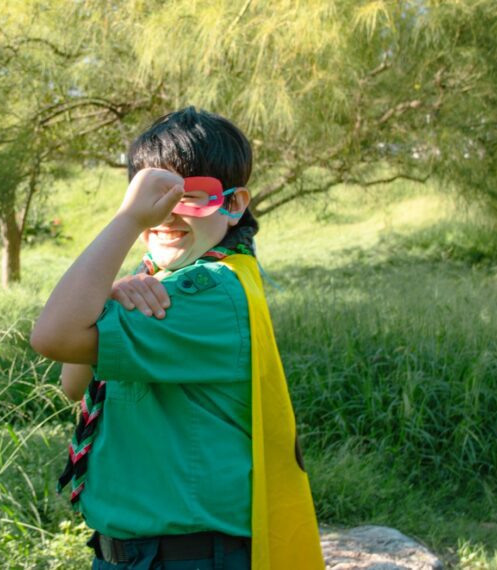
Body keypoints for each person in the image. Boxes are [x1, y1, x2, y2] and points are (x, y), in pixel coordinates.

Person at [30, 107, 324, 570]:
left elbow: (53, 336)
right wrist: (111, 293)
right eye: (155, 196)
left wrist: (127, 222)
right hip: (131, 552)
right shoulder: (155, 288)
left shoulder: (207, 295)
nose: (167, 213)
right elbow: (73, 384)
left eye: (193, 196)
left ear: (233, 204)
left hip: (185, 556)